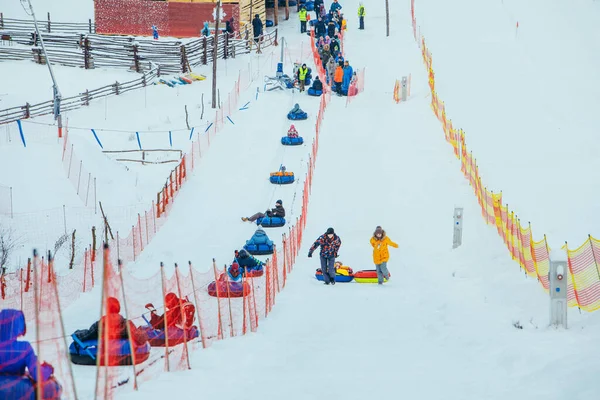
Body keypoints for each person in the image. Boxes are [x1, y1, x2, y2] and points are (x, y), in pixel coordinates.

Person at [0, 309, 62, 399]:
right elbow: (38, 375)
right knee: (51, 387)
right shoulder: (24, 348)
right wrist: (48, 369)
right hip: (20, 390)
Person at [73, 297, 148, 345]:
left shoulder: (100, 324)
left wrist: (76, 333)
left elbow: (86, 334)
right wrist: (142, 331)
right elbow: (141, 338)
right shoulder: (127, 324)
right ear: (118, 308)